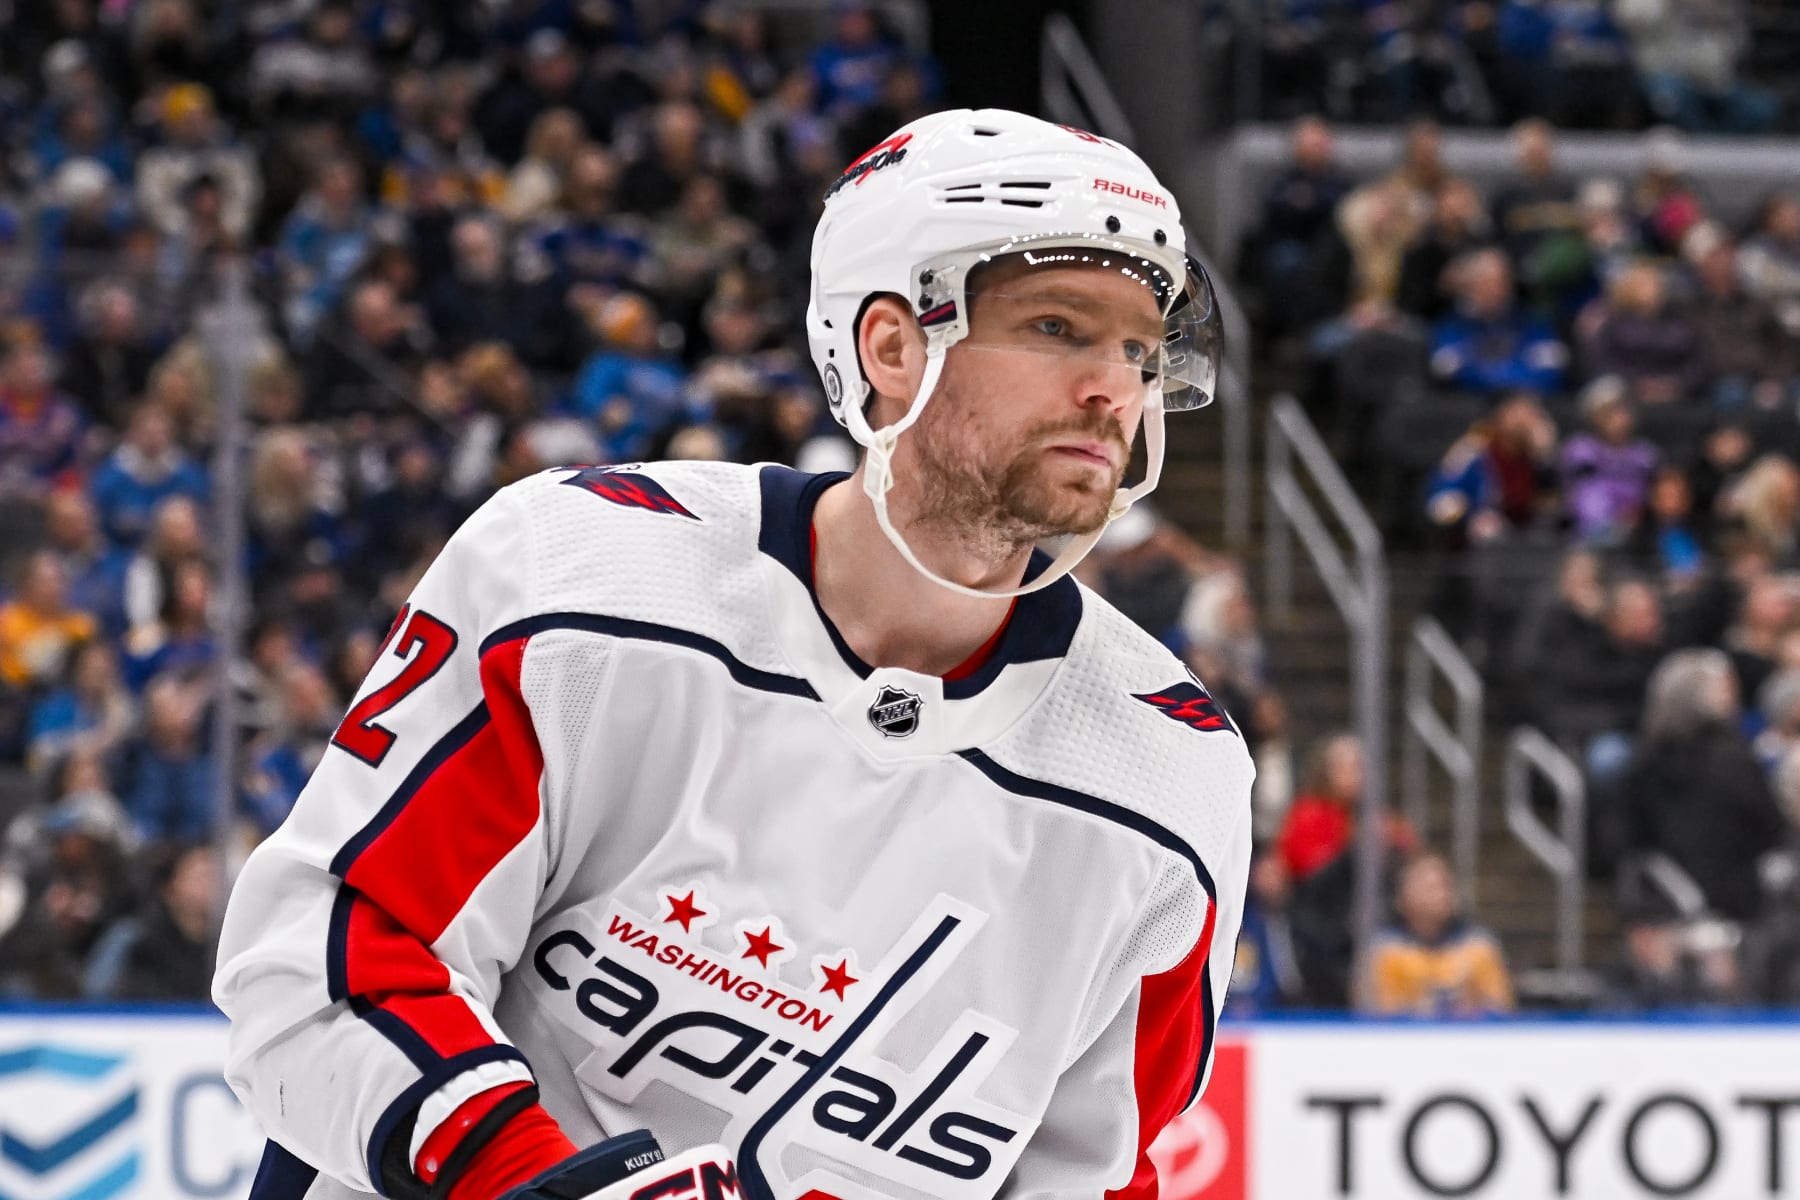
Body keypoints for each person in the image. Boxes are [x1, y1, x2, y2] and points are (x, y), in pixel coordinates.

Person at [214, 109, 1251, 1200]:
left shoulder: (1170, 779)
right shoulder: (585, 578)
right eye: (1056, 327)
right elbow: (326, 962)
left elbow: (1094, 1175)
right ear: (891, 346)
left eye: (1138, 347)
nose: (1115, 389)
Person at [1367, 853, 1513, 1016]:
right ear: (1402, 898)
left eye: (1446, 885)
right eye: (1429, 887)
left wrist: (1475, 1011)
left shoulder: (1478, 946)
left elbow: (1500, 1009)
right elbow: (1376, 1013)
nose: (1441, 894)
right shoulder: (1386, 950)